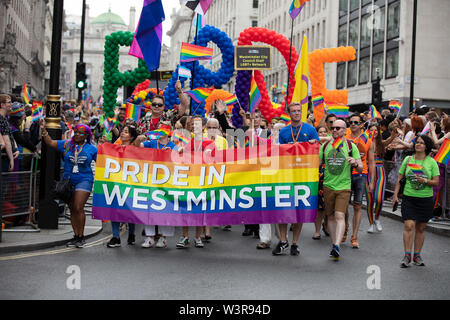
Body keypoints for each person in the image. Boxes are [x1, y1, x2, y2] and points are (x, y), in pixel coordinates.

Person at [272, 103, 320, 256]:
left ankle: (295, 243)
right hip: (286, 174)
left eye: (299, 111)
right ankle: (283, 241)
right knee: (284, 208)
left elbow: (317, 150)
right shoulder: (284, 131)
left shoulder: (310, 130)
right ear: (289, 113)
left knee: (299, 209)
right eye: (294, 111)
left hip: (304, 175)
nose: (297, 114)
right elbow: (278, 151)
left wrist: (311, 144)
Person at [40, 121, 97, 248]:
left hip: (85, 179)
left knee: (78, 206)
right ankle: (76, 236)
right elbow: (50, 142)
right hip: (68, 181)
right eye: (75, 132)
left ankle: (81, 237)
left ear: (86, 135)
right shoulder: (66, 144)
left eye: (80, 133)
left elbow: (102, 161)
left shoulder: (92, 149)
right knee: (72, 208)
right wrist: (44, 131)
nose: (77, 135)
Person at [392, 135, 439, 268]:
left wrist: (426, 181)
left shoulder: (432, 162)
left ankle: (417, 255)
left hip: (425, 199)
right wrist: (395, 195)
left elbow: (436, 182)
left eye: (422, 143)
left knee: (421, 228)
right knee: (409, 225)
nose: (418, 145)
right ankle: (407, 255)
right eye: (417, 142)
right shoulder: (408, 159)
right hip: (409, 198)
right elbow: (399, 179)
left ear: (427, 146)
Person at [319, 119, 362, 261]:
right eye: (333, 128)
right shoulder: (325, 147)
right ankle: (334, 244)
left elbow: (361, 167)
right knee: (330, 217)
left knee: (339, 216)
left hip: (344, 186)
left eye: (338, 128)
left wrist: (355, 162)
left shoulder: (351, 146)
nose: (335, 130)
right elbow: (317, 165)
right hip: (328, 185)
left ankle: (337, 245)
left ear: (345, 130)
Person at [176, 116, 215, 249]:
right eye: (192, 124)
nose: (194, 126)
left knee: (199, 208)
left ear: (203, 127)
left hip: (202, 180)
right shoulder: (186, 142)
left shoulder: (209, 142)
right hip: (187, 179)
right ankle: (185, 236)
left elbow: (210, 158)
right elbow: (178, 157)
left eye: (197, 124)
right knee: (185, 208)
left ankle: (198, 236)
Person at [139, 122, 177, 248]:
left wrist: (171, 153)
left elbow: (178, 161)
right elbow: (140, 145)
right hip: (151, 179)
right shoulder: (152, 143)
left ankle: (163, 237)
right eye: (160, 127)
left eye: (165, 127)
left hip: (166, 181)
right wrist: (143, 140)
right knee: (149, 207)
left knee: (164, 208)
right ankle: (149, 237)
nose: (162, 130)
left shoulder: (173, 145)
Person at [106, 124, 139, 248]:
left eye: (126, 132)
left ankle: (131, 233)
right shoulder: (115, 146)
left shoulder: (136, 148)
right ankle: (116, 237)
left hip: (131, 183)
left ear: (131, 136)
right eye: (122, 131)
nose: (123, 133)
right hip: (116, 181)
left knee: (130, 210)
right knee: (114, 208)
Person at [366, 123, 386, 233]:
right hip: (367, 170)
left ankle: (377, 218)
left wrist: (393, 136)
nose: (374, 132)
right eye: (372, 129)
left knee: (379, 198)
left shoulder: (381, 143)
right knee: (370, 199)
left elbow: (388, 142)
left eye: (376, 130)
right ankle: (371, 223)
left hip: (380, 171)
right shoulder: (365, 143)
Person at [313, 125, 330, 240]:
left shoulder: (332, 143)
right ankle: (317, 230)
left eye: (325, 132)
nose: (323, 134)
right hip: (317, 176)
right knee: (319, 206)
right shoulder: (314, 144)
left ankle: (327, 225)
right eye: (320, 132)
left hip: (330, 176)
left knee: (328, 205)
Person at [0, 94, 15, 172]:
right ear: (2, 105)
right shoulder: (2, 119)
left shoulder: (4, 118)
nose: (11, 104)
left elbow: (10, 136)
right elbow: (7, 141)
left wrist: (15, 149)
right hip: (4, 158)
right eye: (9, 102)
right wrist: (11, 160)